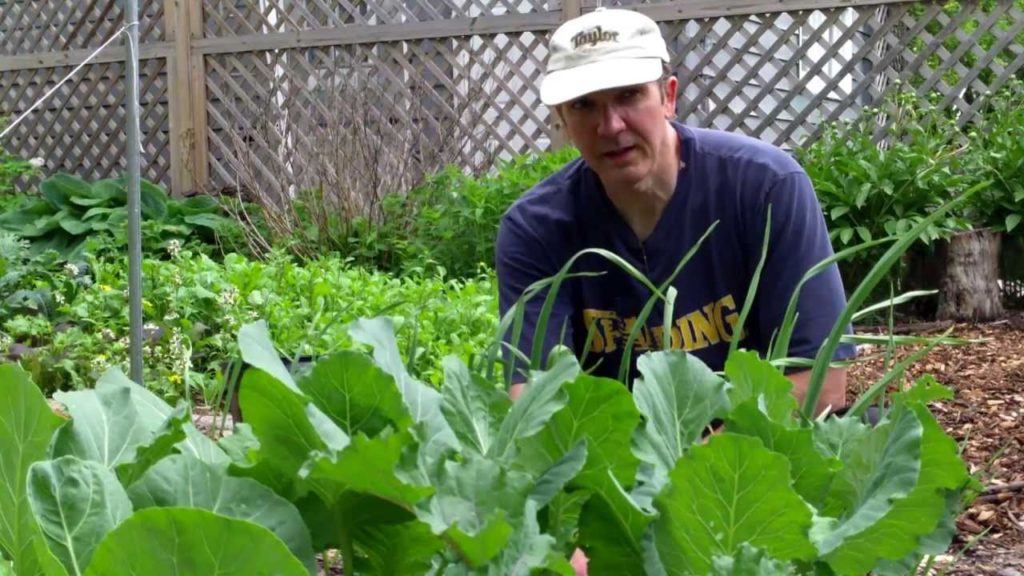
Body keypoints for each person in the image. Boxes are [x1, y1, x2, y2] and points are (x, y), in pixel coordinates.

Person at [494, 9, 857, 573]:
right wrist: (585, 524)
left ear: (668, 95)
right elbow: (534, 406)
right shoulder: (537, 228)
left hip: (750, 474)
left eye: (628, 96)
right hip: (610, 487)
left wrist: (679, 488)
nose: (610, 125)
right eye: (585, 105)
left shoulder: (764, 187)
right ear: (562, 119)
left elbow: (819, 384)